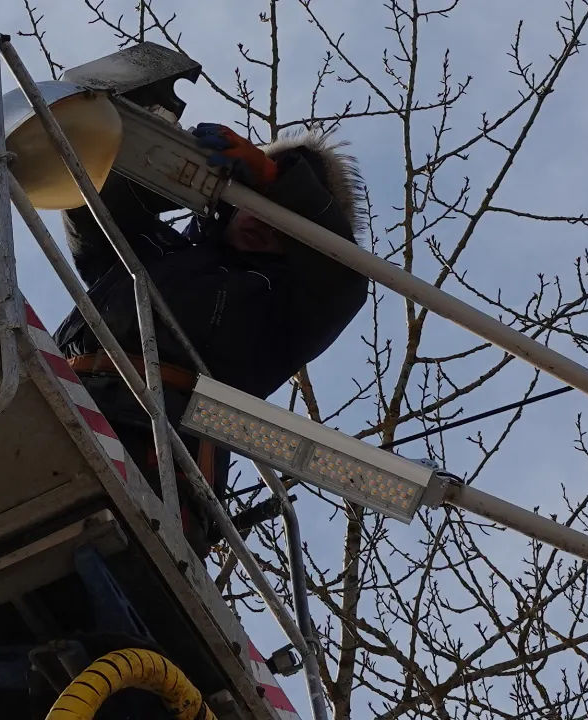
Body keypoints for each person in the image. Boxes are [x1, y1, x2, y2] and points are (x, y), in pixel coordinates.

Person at [53, 124, 371, 559]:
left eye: (287, 222)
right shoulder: (152, 250)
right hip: (58, 403)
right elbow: (91, 196)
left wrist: (275, 179)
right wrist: (180, 168)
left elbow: (343, 276)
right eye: (257, 203)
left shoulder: (288, 307)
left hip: (154, 448)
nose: (263, 221)